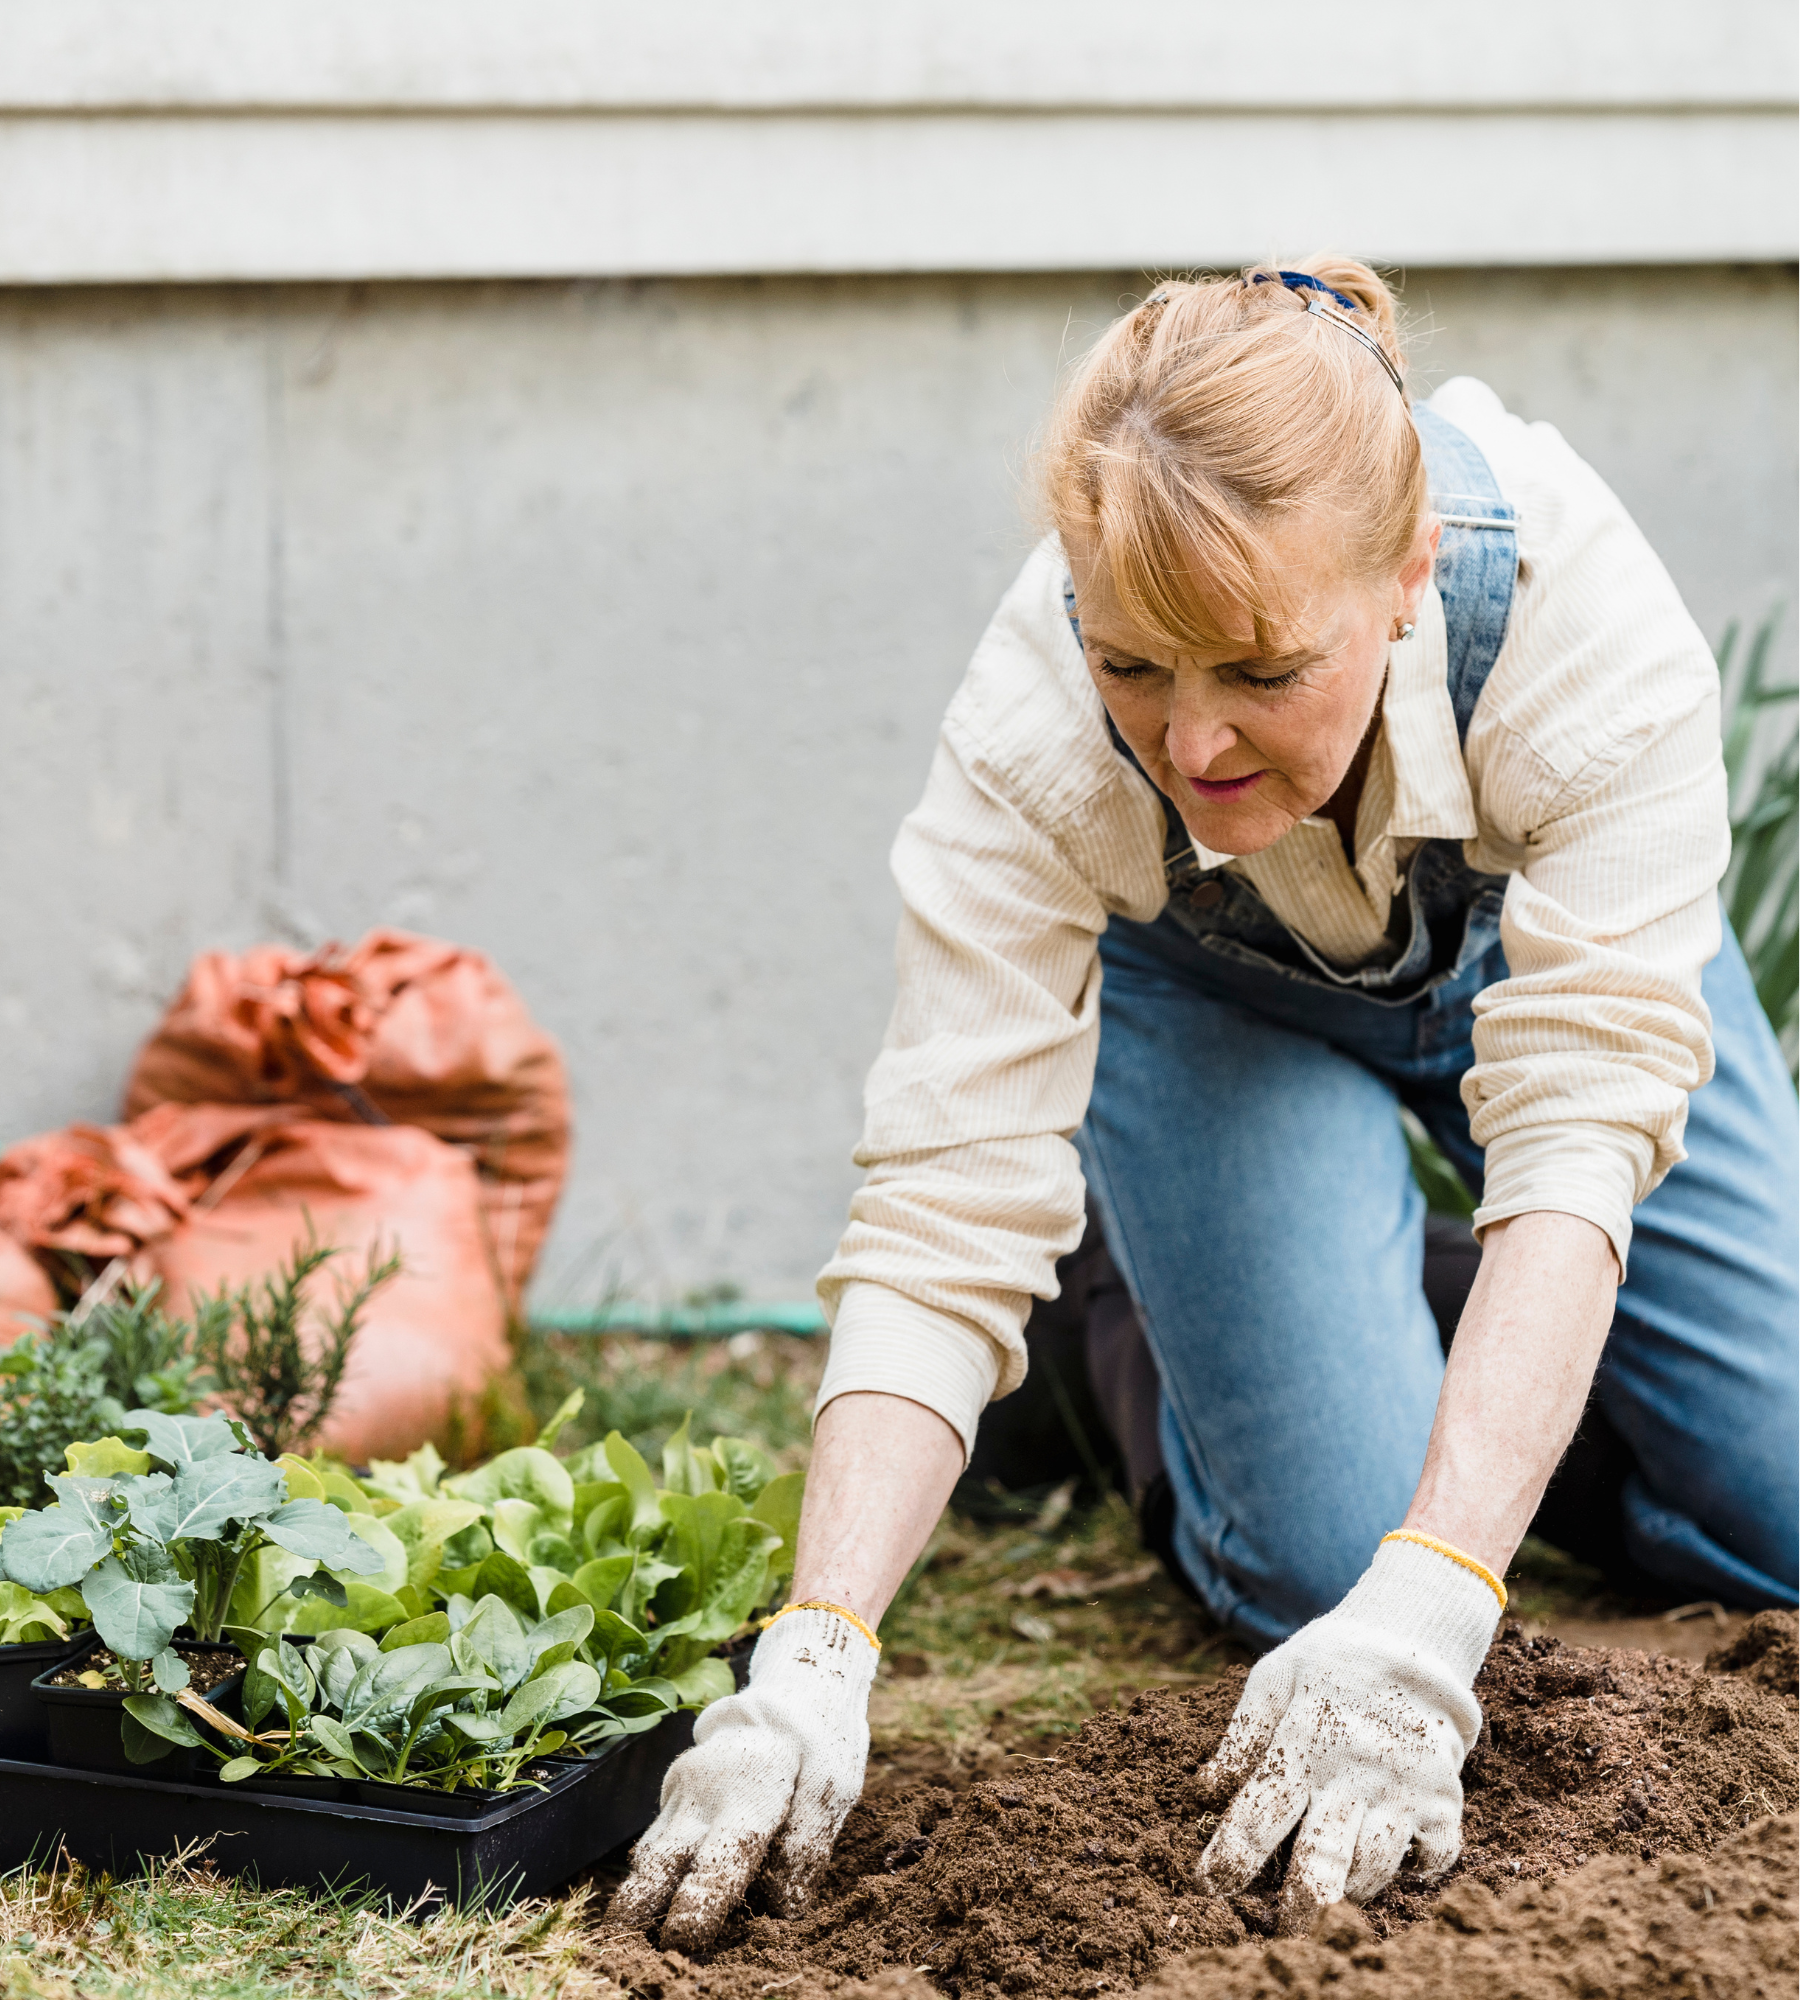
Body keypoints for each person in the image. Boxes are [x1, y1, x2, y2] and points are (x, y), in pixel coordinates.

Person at [612, 259, 1799, 1948]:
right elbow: (949, 1198)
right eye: (1135, 667)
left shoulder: (1581, 626)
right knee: (1331, 1560)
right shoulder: (1033, 729)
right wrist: (812, 1663)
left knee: (1787, 1499)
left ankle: (1386, 1317)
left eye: (1257, 666)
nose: (1194, 741)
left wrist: (1448, 1592)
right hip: (1214, 1005)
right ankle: (1127, 1327)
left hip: (1548, 983)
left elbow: (1584, 1131)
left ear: (1403, 581)